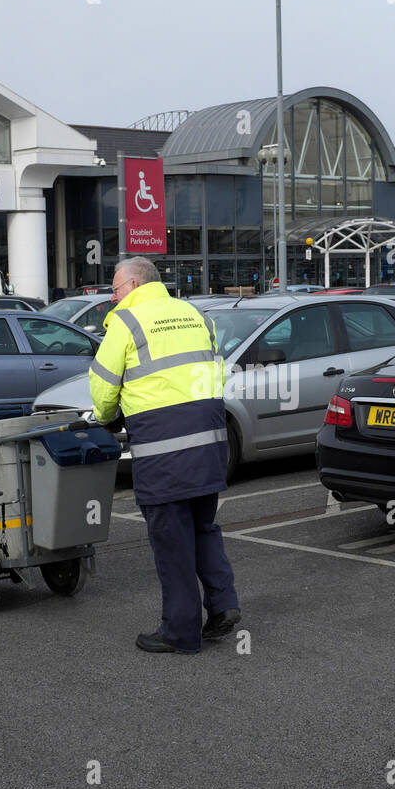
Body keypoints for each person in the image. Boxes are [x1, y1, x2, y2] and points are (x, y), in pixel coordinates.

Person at [89, 257, 240, 654]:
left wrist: (107, 417)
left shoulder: (126, 322)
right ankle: (224, 606)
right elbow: (215, 370)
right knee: (203, 527)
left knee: (171, 540)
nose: (113, 297)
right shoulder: (194, 313)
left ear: (135, 284)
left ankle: (181, 633)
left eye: (116, 289)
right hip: (208, 441)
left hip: (163, 449)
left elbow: (103, 387)